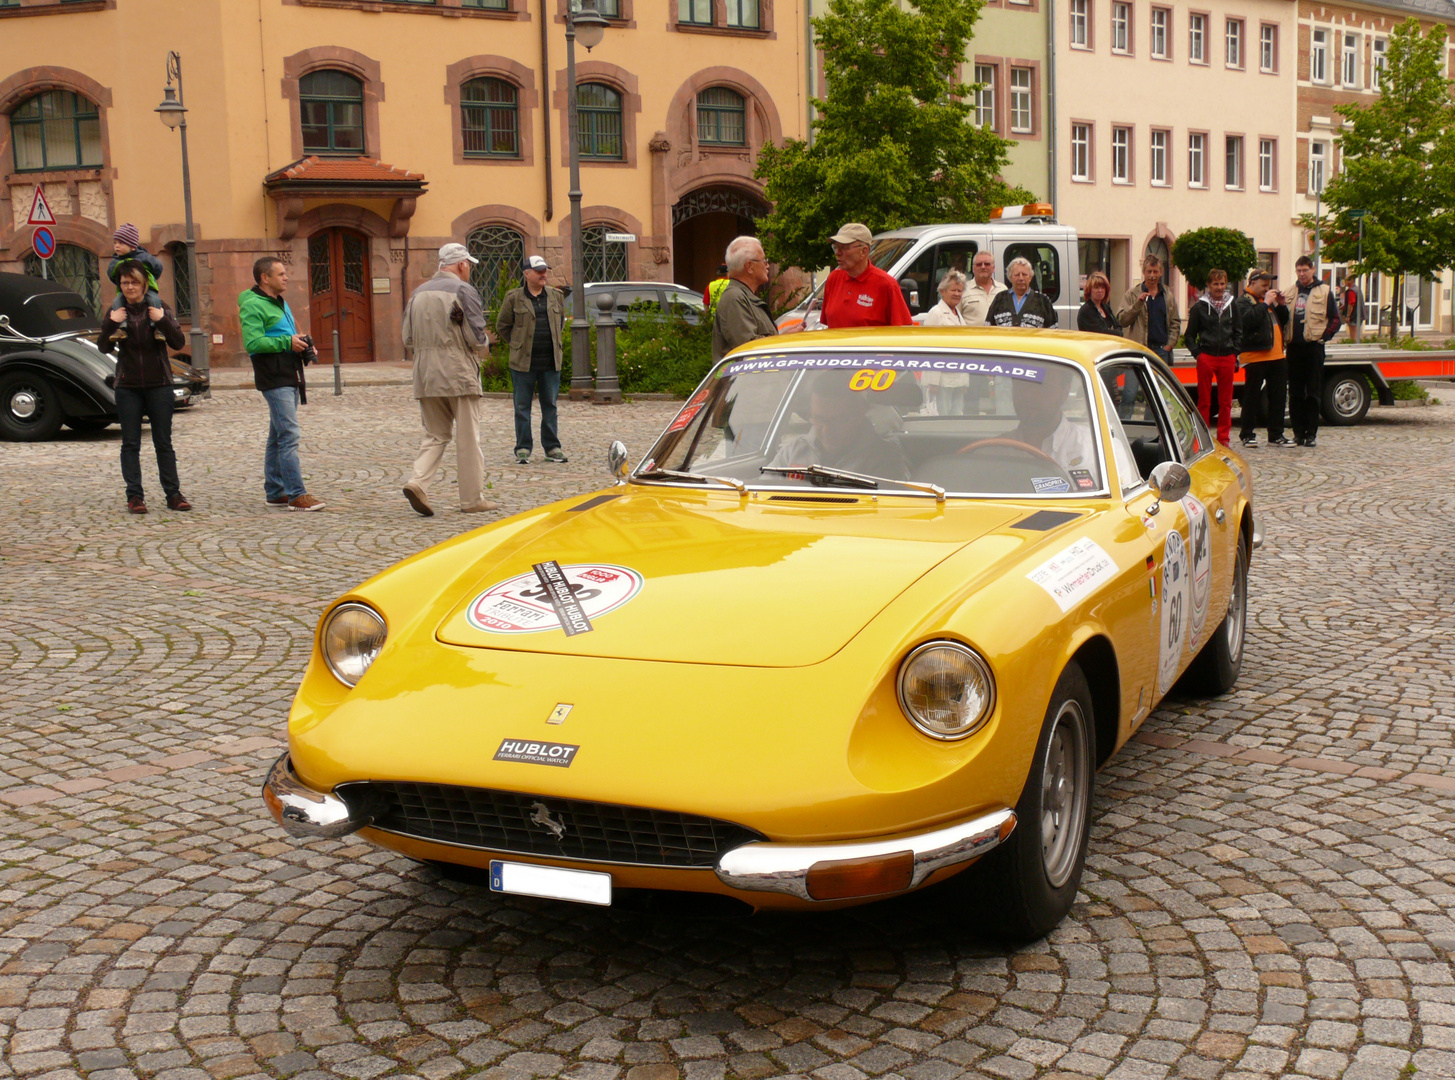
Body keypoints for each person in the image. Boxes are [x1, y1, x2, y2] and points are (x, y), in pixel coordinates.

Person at [400, 242, 497, 516]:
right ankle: (472, 499)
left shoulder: (417, 293)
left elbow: (407, 338)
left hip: (425, 373)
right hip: (458, 372)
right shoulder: (463, 290)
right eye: (469, 266)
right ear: (462, 264)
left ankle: (417, 482)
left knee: (435, 435)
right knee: (468, 438)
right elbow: (476, 336)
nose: (469, 271)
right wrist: (486, 344)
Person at [98, 261, 189, 514]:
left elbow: (178, 342)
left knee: (164, 443)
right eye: (125, 283)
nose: (129, 287)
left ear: (144, 284)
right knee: (130, 444)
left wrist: (162, 321)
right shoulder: (116, 311)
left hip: (159, 384)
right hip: (127, 386)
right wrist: (110, 324)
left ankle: (173, 494)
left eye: (134, 282)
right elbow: (103, 347)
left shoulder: (160, 308)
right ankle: (135, 496)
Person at [239, 256, 324, 511]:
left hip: (288, 372)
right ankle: (296, 494)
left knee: (277, 435)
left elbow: (280, 335)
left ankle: (275, 491)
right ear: (265, 278)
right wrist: (287, 343)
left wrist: (298, 341)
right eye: (280, 274)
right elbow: (252, 343)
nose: (286, 277)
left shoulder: (278, 301)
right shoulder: (253, 305)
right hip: (273, 376)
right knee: (289, 434)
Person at [496, 254, 567, 464]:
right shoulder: (514, 297)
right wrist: (517, 344)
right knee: (522, 407)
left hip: (550, 362)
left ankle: (552, 447)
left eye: (545, 270)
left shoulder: (556, 296)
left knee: (550, 406)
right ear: (527, 274)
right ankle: (523, 448)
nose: (543, 274)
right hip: (523, 363)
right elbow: (503, 326)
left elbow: (560, 322)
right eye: (539, 271)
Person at [769, 376, 909, 479]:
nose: (827, 431)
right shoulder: (792, 452)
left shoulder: (884, 458)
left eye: (837, 420)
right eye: (819, 419)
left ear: (859, 415)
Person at [1287, 255, 1341, 448]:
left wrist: (1323, 337)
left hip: (1313, 348)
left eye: (1305, 270)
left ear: (1312, 270)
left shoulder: (1324, 291)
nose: (1301, 274)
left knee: (1313, 392)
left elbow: (1336, 319)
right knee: (1295, 393)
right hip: (1294, 348)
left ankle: (1311, 434)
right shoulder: (1290, 291)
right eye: (1298, 270)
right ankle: (1297, 433)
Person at [1007, 365, 1098, 480]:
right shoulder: (993, 452)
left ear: (1065, 391)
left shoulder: (1096, 449)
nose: (1028, 395)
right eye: (1021, 385)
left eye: (1042, 386)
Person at [1184, 269, 1242, 445]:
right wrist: (1198, 354)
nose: (1219, 287)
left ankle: (1223, 439)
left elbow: (1239, 331)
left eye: (1222, 284)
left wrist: (1235, 352)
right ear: (1208, 285)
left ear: (1226, 285)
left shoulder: (1232, 305)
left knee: (1226, 402)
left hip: (1226, 357)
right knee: (1204, 401)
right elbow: (1189, 336)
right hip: (1206, 356)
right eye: (1215, 284)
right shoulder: (1199, 307)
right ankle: (1204, 438)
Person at [819, 223, 913, 329]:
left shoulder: (886, 284)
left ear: (864, 251)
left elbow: (903, 332)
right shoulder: (833, 279)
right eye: (836, 247)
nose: (837, 253)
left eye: (844, 247)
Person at [1234, 271, 1291, 447]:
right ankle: (1247, 434)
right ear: (1252, 282)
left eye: (1269, 284)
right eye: (1264, 284)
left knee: (1278, 397)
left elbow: (1282, 321)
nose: (1268, 287)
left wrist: (1281, 306)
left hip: (1277, 356)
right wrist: (1266, 302)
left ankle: (1276, 434)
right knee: (1251, 397)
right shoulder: (1243, 301)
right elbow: (1247, 321)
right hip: (1255, 355)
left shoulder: (1266, 302)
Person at [711, 236, 777, 363]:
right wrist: (781, 339)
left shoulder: (743, 296)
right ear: (749, 267)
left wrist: (783, 335)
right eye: (764, 260)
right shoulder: (734, 298)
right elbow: (749, 347)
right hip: (744, 381)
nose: (767, 265)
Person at [920, 269, 970, 414]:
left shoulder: (958, 314)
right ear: (942, 291)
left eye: (960, 291)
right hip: (941, 382)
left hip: (958, 380)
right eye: (953, 290)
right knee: (942, 420)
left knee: (957, 418)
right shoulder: (936, 313)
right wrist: (932, 382)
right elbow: (930, 349)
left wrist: (965, 381)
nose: (957, 294)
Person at [1117, 255, 1181, 365]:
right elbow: (1122, 320)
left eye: (1155, 272)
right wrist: (1137, 304)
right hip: (1139, 349)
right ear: (1144, 272)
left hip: (1161, 351)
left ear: (1161, 273)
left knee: (1158, 383)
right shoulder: (1132, 294)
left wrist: (1169, 345)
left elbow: (1175, 322)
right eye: (1149, 271)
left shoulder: (1168, 296)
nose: (1152, 276)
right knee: (1135, 382)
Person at [106, 223, 163, 316]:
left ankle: (155, 318)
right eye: (115, 243)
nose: (117, 246)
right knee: (117, 301)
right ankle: (122, 322)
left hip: (147, 288)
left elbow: (157, 267)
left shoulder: (144, 257)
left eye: (121, 243)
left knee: (154, 299)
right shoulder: (115, 261)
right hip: (125, 291)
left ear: (132, 246)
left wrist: (150, 279)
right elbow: (111, 275)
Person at [985, 257, 1058, 328]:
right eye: (1017, 275)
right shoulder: (1000, 298)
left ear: (1030, 277)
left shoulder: (1043, 301)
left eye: (1024, 274)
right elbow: (988, 329)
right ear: (1010, 277)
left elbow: (1053, 331)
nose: (1021, 278)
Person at [959, 250, 1006, 325]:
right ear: (973, 268)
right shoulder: (962, 289)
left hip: (997, 336)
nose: (983, 267)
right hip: (971, 336)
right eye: (979, 264)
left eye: (987, 264)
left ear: (993, 268)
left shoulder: (1002, 289)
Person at [1077, 272, 1122, 336]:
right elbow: (1100, 332)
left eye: (1103, 287)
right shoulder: (1086, 310)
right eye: (1096, 287)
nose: (1100, 290)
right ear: (1090, 290)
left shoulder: (1106, 307)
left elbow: (1119, 327)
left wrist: (1116, 332)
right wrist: (1115, 332)